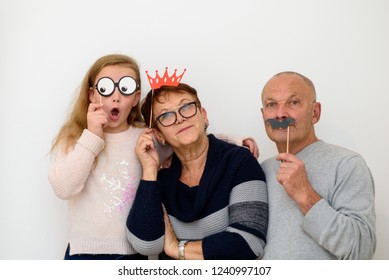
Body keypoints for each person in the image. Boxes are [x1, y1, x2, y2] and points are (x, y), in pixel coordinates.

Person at [48, 55, 259, 260]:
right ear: (93, 95)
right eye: (105, 88)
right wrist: (93, 136)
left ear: (135, 98)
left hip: (135, 253)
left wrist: (235, 141)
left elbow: (188, 139)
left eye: (125, 88)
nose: (115, 96)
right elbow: (64, 188)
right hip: (83, 253)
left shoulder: (147, 139)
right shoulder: (76, 139)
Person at [126, 82, 268, 260]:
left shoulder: (239, 162)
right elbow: (146, 244)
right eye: (166, 115)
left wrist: (176, 249)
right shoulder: (161, 179)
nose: (179, 118)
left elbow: (249, 243)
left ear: (203, 116)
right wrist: (149, 170)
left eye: (186, 107)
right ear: (159, 134)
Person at [260, 71, 376, 259]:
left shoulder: (347, 164)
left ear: (315, 113)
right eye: (272, 104)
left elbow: (361, 251)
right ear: (263, 114)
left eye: (293, 102)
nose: (280, 114)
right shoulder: (261, 170)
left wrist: (305, 194)